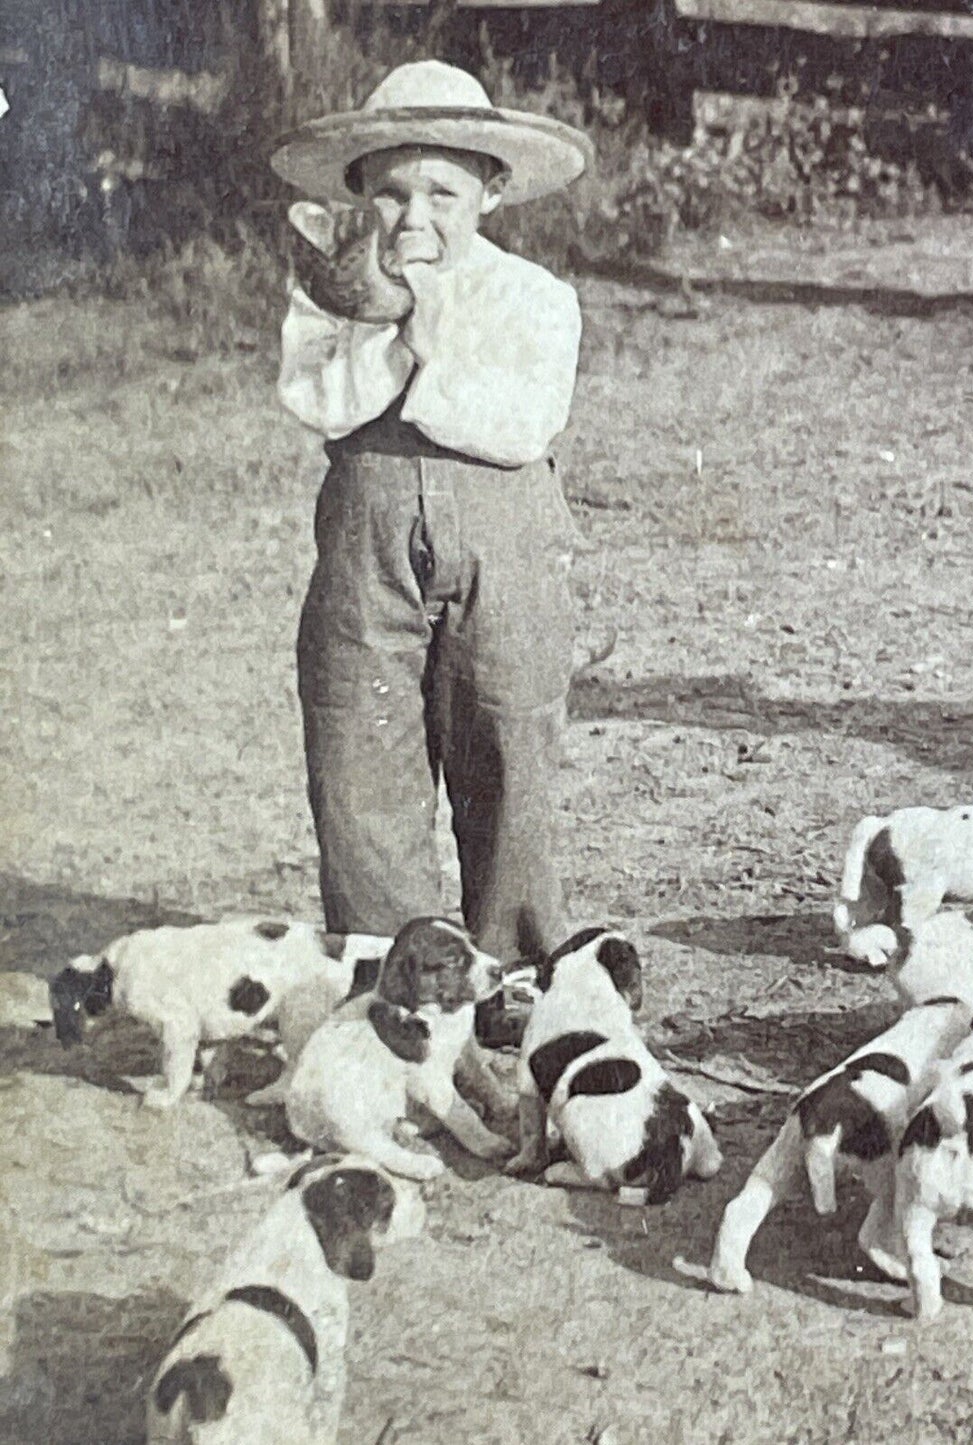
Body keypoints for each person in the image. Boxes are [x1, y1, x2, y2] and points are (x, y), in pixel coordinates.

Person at [269, 61, 593, 963]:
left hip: (506, 538)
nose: (415, 219)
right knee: (357, 753)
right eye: (392, 194)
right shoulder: (333, 294)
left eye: (443, 192)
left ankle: (517, 965)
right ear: (359, 195)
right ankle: (388, 967)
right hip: (366, 540)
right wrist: (388, 321)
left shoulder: (533, 298)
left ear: (490, 192)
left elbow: (522, 422)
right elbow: (323, 402)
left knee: (506, 740)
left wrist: (424, 337)